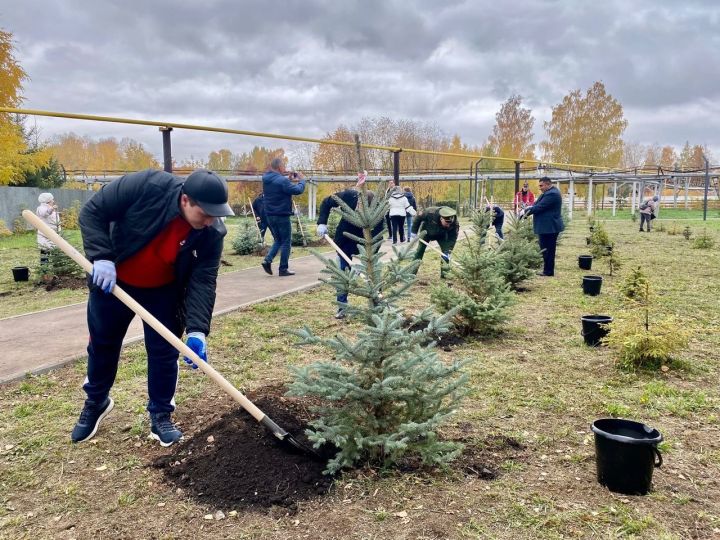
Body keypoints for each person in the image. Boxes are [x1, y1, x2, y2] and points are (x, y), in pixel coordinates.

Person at [71, 168, 234, 447]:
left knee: (164, 352)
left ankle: (161, 415)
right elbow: (92, 212)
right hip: (114, 282)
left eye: (215, 213)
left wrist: (197, 330)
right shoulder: (146, 186)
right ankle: (96, 401)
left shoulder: (212, 233)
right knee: (102, 344)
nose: (210, 220)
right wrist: (101, 257)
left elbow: (204, 280)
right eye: (204, 213)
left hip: (164, 289)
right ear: (185, 200)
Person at [316, 187, 382, 319]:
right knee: (343, 272)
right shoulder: (347, 196)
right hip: (344, 239)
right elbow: (326, 202)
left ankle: (378, 305)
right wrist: (322, 223)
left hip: (365, 242)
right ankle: (342, 307)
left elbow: (377, 237)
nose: (359, 209)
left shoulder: (378, 211)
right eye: (359, 206)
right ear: (357, 200)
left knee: (373, 271)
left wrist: (367, 260)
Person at [261, 158, 306, 276]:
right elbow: (297, 190)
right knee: (286, 241)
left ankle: (267, 260)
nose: (285, 168)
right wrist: (302, 180)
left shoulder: (266, 179)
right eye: (284, 166)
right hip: (282, 215)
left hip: (270, 215)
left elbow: (281, 186)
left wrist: (288, 179)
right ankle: (283, 269)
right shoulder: (281, 181)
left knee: (278, 240)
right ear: (279, 166)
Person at [521, 177, 564, 277]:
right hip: (547, 227)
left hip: (550, 227)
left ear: (548, 184)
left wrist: (525, 212)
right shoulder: (548, 193)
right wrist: (529, 207)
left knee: (548, 249)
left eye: (541, 185)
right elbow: (537, 204)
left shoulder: (552, 194)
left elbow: (540, 207)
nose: (540, 188)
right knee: (545, 249)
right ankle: (547, 270)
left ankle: (548, 271)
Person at [410, 206, 459, 278]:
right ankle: (411, 273)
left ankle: (445, 275)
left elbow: (452, 238)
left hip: (443, 236)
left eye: (450, 224)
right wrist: (414, 231)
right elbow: (418, 218)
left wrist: (449, 249)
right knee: (419, 252)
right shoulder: (430, 212)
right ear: (441, 218)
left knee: (445, 255)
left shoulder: (454, 223)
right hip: (426, 232)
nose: (448, 225)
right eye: (446, 223)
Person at [36, 192, 59, 265]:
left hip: (54, 234)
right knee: (45, 252)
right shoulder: (41, 208)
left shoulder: (49, 207)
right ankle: (44, 272)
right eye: (52, 200)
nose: (53, 201)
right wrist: (51, 209)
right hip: (45, 235)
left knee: (56, 253)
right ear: (48, 201)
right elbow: (45, 213)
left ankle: (57, 271)